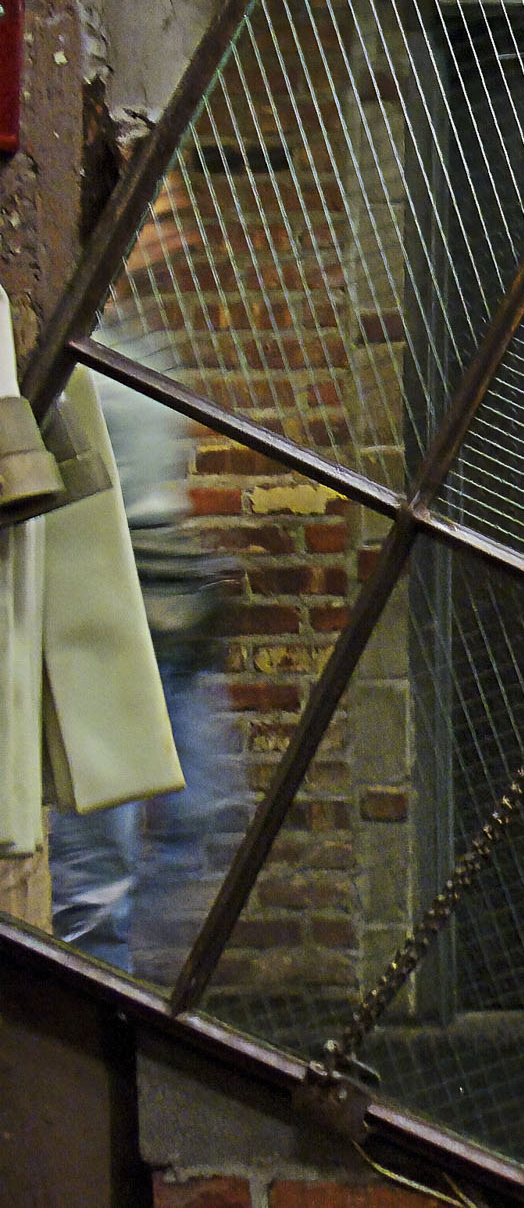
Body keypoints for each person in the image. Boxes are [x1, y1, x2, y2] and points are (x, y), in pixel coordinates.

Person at [48, 169, 242, 978]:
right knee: (101, 851)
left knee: (204, 812)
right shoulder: (64, 345)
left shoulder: (136, 341)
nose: (179, 237)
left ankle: (137, 992)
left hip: (168, 610)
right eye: (162, 218)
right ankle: (99, 1009)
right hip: (102, 605)